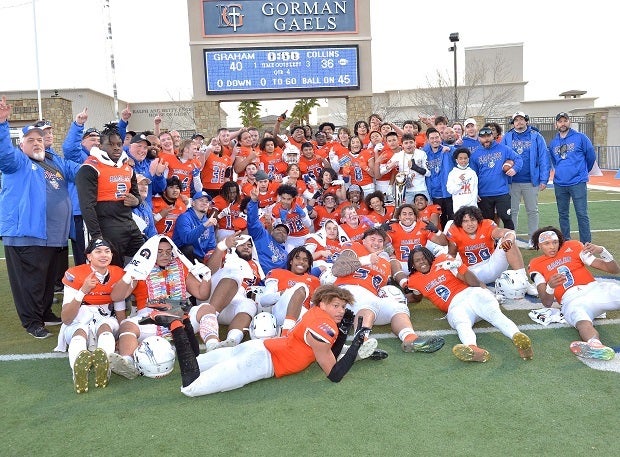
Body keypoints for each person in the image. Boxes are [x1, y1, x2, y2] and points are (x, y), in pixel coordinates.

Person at [143, 285, 372, 396]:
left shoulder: (315, 313)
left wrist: (342, 332)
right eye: (336, 306)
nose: (341, 311)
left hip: (258, 346)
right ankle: (174, 324)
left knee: (196, 362)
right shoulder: (323, 326)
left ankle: (184, 316)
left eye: (343, 306)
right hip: (260, 362)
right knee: (191, 387)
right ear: (322, 304)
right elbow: (334, 374)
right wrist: (357, 341)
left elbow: (328, 350)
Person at [0, 96, 80, 339]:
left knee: (46, 281)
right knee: (30, 283)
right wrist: (3, 122)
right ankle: (32, 321)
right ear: (21, 145)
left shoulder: (55, 162)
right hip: (26, 234)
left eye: (39, 139)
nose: (36, 143)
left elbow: (81, 170)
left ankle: (44, 312)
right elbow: (3, 152)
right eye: (30, 140)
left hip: (53, 236)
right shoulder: (17, 162)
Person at [108, 235, 211, 379]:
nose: (165, 255)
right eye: (160, 251)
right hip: (150, 318)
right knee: (127, 326)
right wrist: (128, 277)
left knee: (206, 308)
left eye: (168, 251)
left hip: (181, 317)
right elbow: (116, 297)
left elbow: (202, 294)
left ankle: (214, 346)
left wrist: (206, 277)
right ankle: (128, 363)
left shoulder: (180, 266)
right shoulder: (140, 270)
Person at [407, 246, 533, 363]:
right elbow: (416, 297)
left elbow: (475, 283)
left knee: (495, 315)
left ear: (429, 257)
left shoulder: (442, 260)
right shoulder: (413, 280)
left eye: (424, 258)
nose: (422, 262)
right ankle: (473, 349)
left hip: (472, 293)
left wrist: (460, 266)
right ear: (412, 264)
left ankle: (518, 338)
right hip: (455, 306)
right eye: (417, 260)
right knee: (462, 323)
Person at [331, 227, 445, 353]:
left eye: (380, 241)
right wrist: (365, 260)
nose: (376, 243)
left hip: (369, 298)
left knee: (397, 307)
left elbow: (383, 289)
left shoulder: (384, 264)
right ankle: (360, 342)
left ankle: (410, 339)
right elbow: (337, 270)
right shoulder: (356, 247)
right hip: (347, 293)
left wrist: (406, 294)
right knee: (370, 303)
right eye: (372, 239)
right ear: (363, 241)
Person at [528, 226, 620, 360]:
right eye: (547, 243)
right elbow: (546, 302)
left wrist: (602, 250)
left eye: (555, 242)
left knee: (615, 291)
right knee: (581, 321)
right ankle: (595, 345)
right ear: (539, 245)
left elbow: (613, 269)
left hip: (594, 289)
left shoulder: (573, 247)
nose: (552, 246)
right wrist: (550, 286)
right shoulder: (535, 264)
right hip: (571, 299)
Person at [55, 238, 126, 393]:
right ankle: (78, 373)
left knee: (105, 327)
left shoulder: (117, 273)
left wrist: (122, 336)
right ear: (89, 256)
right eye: (98, 251)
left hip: (105, 317)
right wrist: (83, 291)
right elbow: (66, 318)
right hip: (78, 318)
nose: (103, 255)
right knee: (79, 332)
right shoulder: (75, 274)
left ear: (112, 255)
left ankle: (104, 368)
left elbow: (120, 311)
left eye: (107, 251)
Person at [75, 123, 144, 267]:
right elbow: (87, 206)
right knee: (114, 268)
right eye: (111, 144)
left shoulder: (127, 167)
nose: (116, 147)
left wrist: (136, 201)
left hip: (129, 223)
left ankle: (132, 290)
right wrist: (97, 237)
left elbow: (137, 196)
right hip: (106, 226)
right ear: (100, 146)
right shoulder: (90, 168)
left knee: (141, 263)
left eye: (119, 144)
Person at [188, 233, 262, 351]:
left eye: (249, 245)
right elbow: (209, 271)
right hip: (212, 295)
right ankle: (209, 318)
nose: (246, 247)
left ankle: (231, 341)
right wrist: (221, 247)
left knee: (249, 304)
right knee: (234, 271)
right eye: (242, 244)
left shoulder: (255, 265)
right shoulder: (224, 254)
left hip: (233, 302)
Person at [446, 206, 537, 297]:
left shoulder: (486, 225)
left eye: (473, 220)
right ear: (460, 223)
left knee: (508, 241)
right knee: (456, 269)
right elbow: (451, 255)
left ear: (478, 220)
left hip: (493, 264)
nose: (470, 224)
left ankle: (523, 280)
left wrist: (508, 240)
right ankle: (486, 292)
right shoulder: (455, 231)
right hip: (474, 273)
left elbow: (508, 232)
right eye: (465, 221)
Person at [502, 112, 550, 248]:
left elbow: (543, 158)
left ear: (526, 121)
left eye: (521, 119)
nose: (519, 122)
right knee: (513, 211)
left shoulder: (536, 136)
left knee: (532, 210)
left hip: (531, 180)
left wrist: (544, 179)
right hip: (512, 180)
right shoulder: (507, 137)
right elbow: (502, 156)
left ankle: (533, 239)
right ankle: (512, 238)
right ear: (513, 123)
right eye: (516, 120)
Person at [548, 112, 596, 243]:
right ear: (556, 124)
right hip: (560, 183)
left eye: (565, 121)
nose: (563, 123)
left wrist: (582, 171)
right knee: (563, 214)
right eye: (560, 121)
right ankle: (565, 241)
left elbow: (590, 156)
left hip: (578, 182)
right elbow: (554, 161)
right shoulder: (553, 143)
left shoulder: (581, 137)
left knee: (582, 214)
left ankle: (586, 243)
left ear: (569, 122)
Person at [61, 107, 101, 266]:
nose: (96, 142)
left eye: (98, 140)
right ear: (82, 142)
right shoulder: (79, 157)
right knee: (84, 252)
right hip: (81, 213)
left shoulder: (100, 158)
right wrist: (78, 124)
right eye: (92, 139)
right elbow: (69, 148)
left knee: (98, 249)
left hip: (97, 211)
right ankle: (82, 285)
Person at [469, 126, 523, 230]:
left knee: (506, 217)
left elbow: (518, 159)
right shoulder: (475, 155)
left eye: (488, 136)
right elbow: (472, 176)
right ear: (479, 138)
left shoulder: (503, 149)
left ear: (493, 136)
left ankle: (510, 241)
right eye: (483, 137)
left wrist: (515, 169)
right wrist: (474, 192)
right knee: (486, 221)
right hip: (484, 194)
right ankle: (490, 245)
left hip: (501, 192)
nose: (486, 139)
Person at [258, 246, 320, 335]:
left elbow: (314, 305)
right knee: (301, 286)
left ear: (308, 265)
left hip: (304, 314)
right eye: (297, 258)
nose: (301, 262)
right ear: (291, 261)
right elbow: (264, 301)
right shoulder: (277, 273)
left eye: (305, 260)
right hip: (282, 311)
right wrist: (285, 293)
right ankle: (286, 333)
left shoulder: (314, 281)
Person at [246, 186, 289, 271]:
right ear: (272, 231)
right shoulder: (262, 234)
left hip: (272, 280)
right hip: (254, 272)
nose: (281, 232)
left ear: (286, 239)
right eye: (278, 229)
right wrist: (254, 201)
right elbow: (253, 221)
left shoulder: (286, 255)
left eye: (284, 232)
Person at [171, 190, 217, 262]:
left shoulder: (208, 221)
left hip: (200, 259)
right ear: (193, 203)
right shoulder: (184, 217)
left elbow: (211, 246)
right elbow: (187, 239)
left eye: (207, 201)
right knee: (188, 248)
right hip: (182, 258)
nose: (204, 203)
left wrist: (210, 256)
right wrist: (204, 226)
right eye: (201, 200)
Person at [423, 127, 455, 228]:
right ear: (428, 140)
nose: (435, 140)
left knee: (451, 218)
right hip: (434, 193)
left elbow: (460, 154)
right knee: (440, 220)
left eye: (437, 137)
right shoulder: (425, 154)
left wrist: (451, 149)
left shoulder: (448, 150)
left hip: (448, 193)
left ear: (440, 138)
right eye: (432, 138)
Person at [446, 147, 478, 213]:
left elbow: (474, 189)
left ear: (468, 159)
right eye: (460, 158)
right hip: (459, 207)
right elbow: (451, 190)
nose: (463, 160)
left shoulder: (472, 172)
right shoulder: (453, 173)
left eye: (465, 158)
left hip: (472, 206)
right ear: (456, 160)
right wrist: (459, 181)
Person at [132, 174, 157, 241]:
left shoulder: (146, 206)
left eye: (146, 184)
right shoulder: (127, 206)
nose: (144, 187)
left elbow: (152, 231)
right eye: (140, 184)